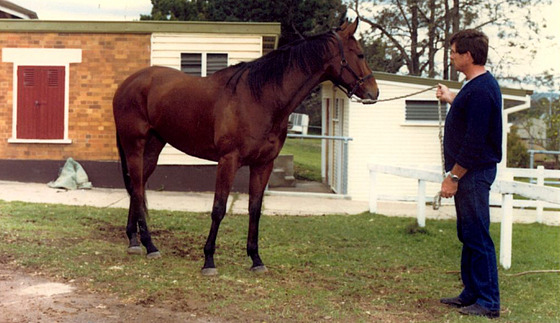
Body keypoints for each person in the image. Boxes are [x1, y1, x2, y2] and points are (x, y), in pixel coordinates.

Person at [436, 29, 502, 319]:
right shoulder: (474, 87)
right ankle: (471, 293)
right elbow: (469, 117)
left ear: (468, 55)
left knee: (478, 236)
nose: (450, 57)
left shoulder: (481, 90)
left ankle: (488, 302)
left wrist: (454, 177)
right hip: (469, 174)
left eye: (453, 52)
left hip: (472, 175)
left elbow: (475, 142)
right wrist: (451, 98)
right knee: (468, 233)